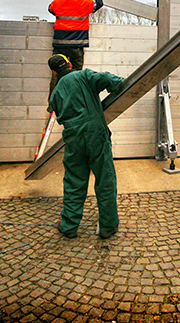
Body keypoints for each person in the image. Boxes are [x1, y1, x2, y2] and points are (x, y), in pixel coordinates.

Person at [48, 54, 124, 239]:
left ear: (54, 72)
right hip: (95, 134)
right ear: (70, 64)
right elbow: (106, 78)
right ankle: (107, 226)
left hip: (73, 138)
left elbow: (56, 112)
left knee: (74, 181)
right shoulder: (83, 76)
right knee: (105, 179)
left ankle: (68, 226)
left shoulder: (56, 92)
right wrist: (119, 84)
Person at [47, 0, 103, 110]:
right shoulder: (85, 2)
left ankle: (52, 104)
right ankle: (74, 102)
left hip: (60, 45)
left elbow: (51, 9)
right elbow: (99, 3)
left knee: (56, 74)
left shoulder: (59, 0)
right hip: (77, 46)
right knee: (76, 75)